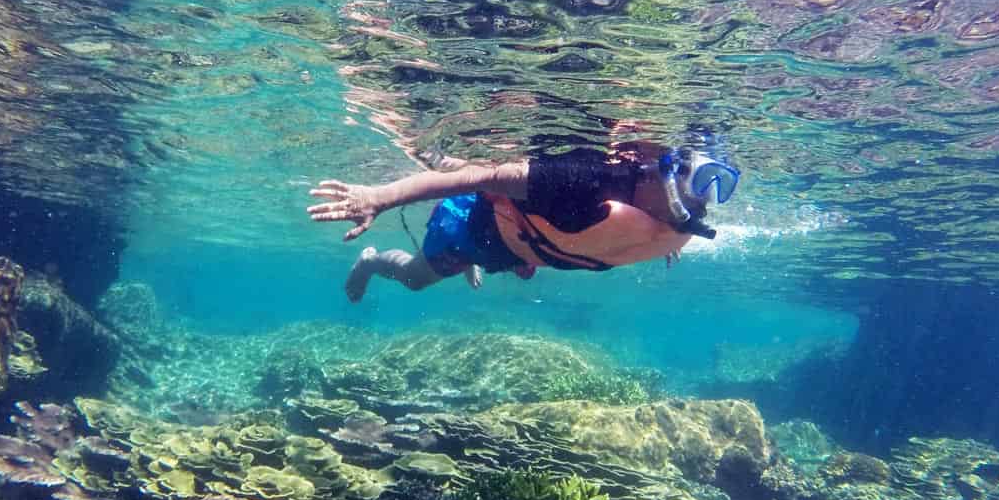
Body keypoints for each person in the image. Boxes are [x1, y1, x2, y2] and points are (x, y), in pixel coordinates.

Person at [307, 141, 740, 302]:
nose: (699, 209)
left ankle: (489, 263)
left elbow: (674, 221)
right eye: (696, 188)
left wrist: (673, 239)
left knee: (519, 265)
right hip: (474, 227)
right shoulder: (582, 181)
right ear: (655, 174)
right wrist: (378, 197)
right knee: (413, 278)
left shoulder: (672, 221)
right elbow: (480, 175)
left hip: (522, 244)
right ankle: (368, 262)